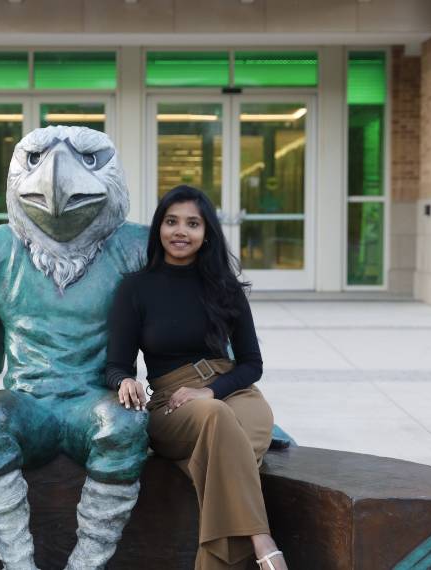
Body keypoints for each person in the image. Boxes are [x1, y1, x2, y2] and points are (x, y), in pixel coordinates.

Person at [105, 185, 288, 570]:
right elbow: (116, 363)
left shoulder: (225, 288)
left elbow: (251, 364)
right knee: (218, 420)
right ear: (159, 228)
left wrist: (210, 390)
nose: (180, 231)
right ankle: (261, 540)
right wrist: (124, 381)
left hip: (234, 392)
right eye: (171, 222)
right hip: (171, 404)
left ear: (207, 233)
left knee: (227, 434)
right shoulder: (135, 289)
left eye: (192, 223)